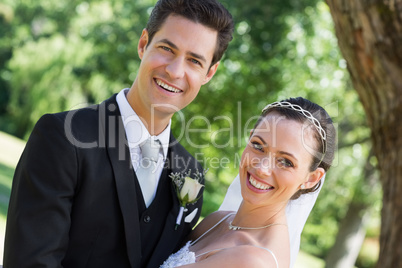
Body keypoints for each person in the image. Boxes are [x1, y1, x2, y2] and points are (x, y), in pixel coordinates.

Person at [3, 0, 234, 267]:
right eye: (166, 49)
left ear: (210, 73)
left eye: (194, 60)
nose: (175, 71)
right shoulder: (63, 138)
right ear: (142, 44)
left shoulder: (191, 174)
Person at [160, 97, 337, 268]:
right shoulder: (216, 221)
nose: (262, 168)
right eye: (258, 146)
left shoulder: (253, 261)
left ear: (311, 178)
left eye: (285, 162)